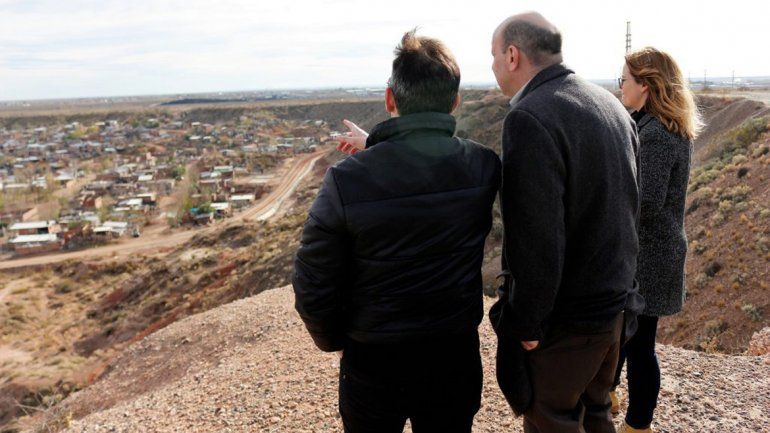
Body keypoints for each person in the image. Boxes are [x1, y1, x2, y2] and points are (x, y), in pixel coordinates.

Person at [292, 29, 501, 433]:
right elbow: (428, 168)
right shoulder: (483, 167)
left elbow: (312, 282)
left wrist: (334, 340)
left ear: (390, 99)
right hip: (452, 354)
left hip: (373, 359)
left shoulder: (346, 182)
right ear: (455, 102)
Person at [489, 12, 642, 433]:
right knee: (595, 415)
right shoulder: (611, 106)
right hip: (614, 309)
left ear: (513, 55)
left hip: (567, 322)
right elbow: (630, 209)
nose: (494, 66)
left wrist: (527, 323)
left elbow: (536, 238)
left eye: (494, 56)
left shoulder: (530, 118)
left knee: (550, 420)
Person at [611, 47, 700, 433]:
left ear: (645, 85)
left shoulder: (658, 135)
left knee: (639, 346)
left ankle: (638, 424)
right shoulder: (652, 126)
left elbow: (644, 201)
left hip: (649, 255)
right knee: (624, 334)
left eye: (625, 81)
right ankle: (607, 393)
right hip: (649, 253)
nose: (620, 87)